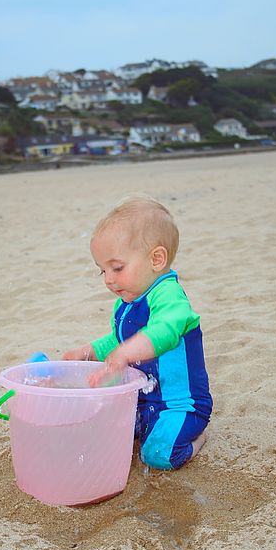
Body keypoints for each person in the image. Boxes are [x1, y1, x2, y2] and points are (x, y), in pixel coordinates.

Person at [62, 196, 213, 470]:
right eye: (102, 271)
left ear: (156, 259)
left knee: (157, 455)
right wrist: (87, 352)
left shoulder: (170, 296)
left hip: (181, 406)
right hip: (143, 400)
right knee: (102, 426)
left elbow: (164, 331)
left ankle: (196, 441)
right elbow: (117, 340)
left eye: (117, 268)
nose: (109, 279)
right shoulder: (127, 303)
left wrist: (125, 353)